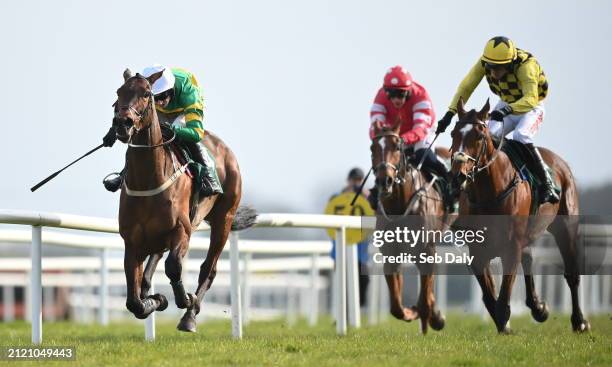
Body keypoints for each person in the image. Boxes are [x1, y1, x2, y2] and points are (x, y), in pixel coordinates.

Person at [436, 36, 559, 204]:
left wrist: (507, 110)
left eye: (499, 68)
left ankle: (546, 182)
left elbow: (530, 98)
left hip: (531, 107)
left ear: (510, 63)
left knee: (521, 136)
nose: (494, 72)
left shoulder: (526, 66)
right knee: (487, 136)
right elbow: (466, 86)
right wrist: (449, 114)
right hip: (507, 102)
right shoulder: (486, 61)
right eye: (491, 67)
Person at [102, 65, 222, 197]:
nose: (159, 102)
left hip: (182, 110)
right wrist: (114, 129)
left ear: (170, 90)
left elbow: (196, 133)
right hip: (156, 111)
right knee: (140, 133)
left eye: (163, 96)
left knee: (181, 136)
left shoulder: (189, 93)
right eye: (156, 97)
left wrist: (172, 128)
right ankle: (124, 174)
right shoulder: (143, 87)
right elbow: (125, 103)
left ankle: (209, 177)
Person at [369, 66, 451, 210]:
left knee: (422, 155)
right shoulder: (380, 97)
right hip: (394, 135)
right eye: (391, 94)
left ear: (408, 90)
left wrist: (402, 140)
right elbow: (375, 128)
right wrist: (384, 140)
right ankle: (378, 190)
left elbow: (420, 129)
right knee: (384, 158)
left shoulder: (420, 95)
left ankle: (450, 186)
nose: (396, 99)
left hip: (422, 131)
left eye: (400, 94)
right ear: (385, 91)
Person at [328, 168, 371, 306]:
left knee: (363, 282)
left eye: (359, 181)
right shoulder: (337, 197)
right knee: (342, 284)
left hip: (361, 252)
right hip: (340, 250)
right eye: (354, 180)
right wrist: (345, 193)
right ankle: (342, 317)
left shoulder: (368, 197)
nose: (356, 184)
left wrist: (367, 196)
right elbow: (329, 210)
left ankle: (355, 312)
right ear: (348, 181)